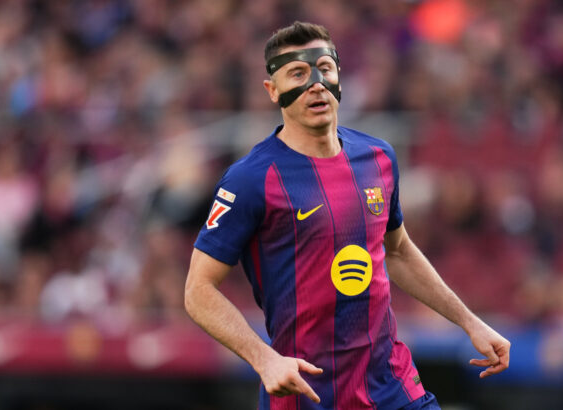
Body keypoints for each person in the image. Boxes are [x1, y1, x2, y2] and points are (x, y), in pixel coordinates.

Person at [184, 21, 510, 409]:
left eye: (324, 68)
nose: (316, 83)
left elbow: (398, 251)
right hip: (307, 393)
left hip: (392, 386)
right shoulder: (250, 179)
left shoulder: (378, 157)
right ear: (272, 90)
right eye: (297, 73)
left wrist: (470, 323)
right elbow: (198, 290)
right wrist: (264, 359)